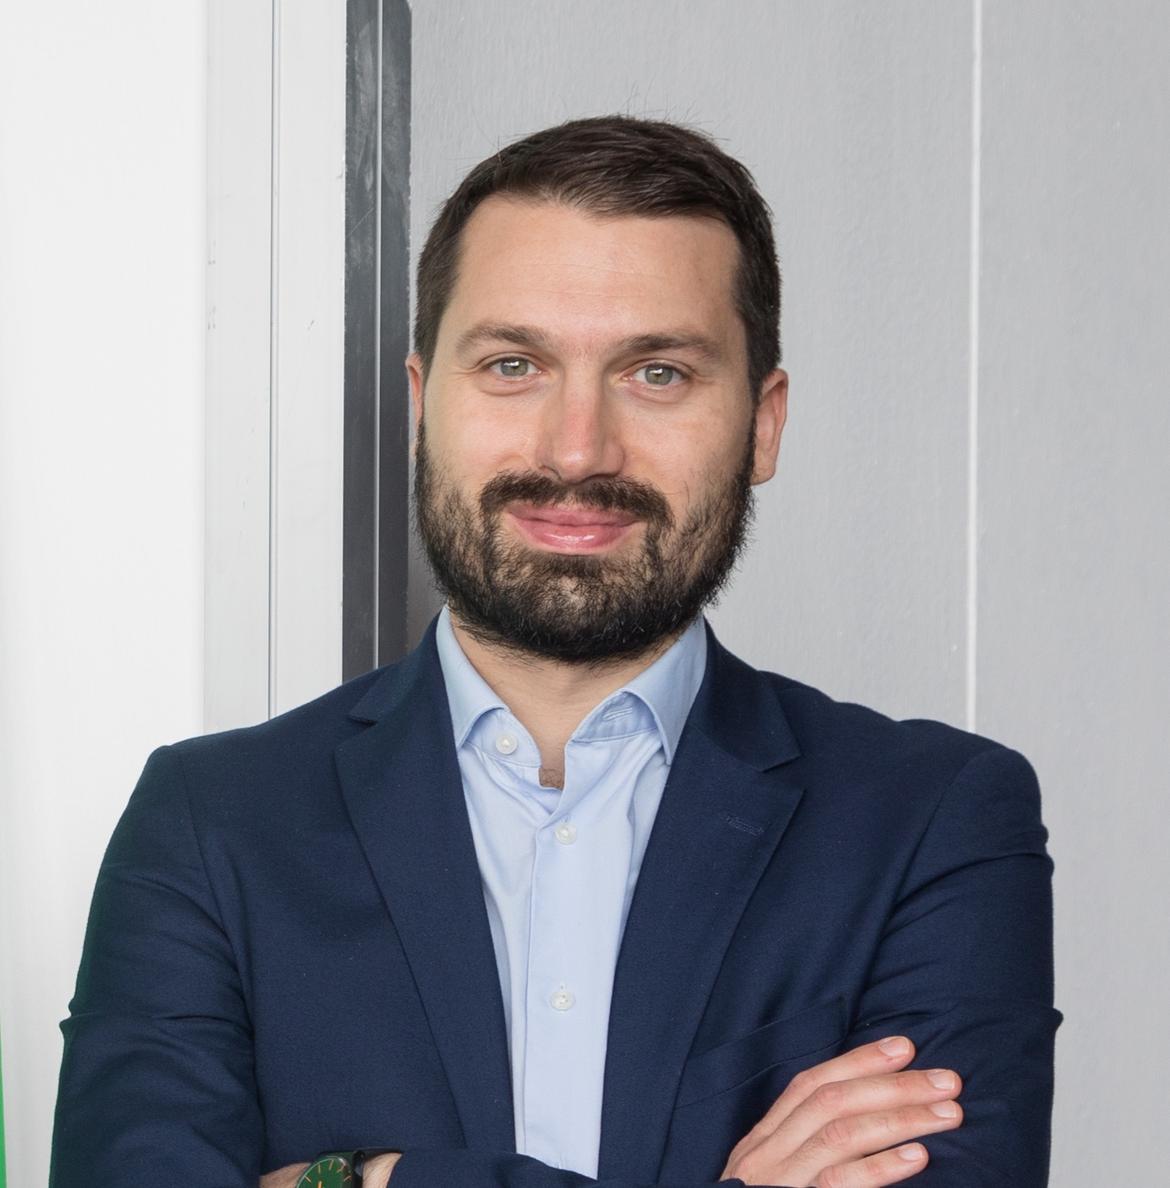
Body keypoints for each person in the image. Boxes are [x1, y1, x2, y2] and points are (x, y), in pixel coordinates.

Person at [51, 116, 1058, 1188]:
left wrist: (370, 1179)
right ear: (420, 405)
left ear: (762, 425)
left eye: (657, 373)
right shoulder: (210, 825)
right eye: (513, 365)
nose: (577, 450)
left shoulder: (931, 823)